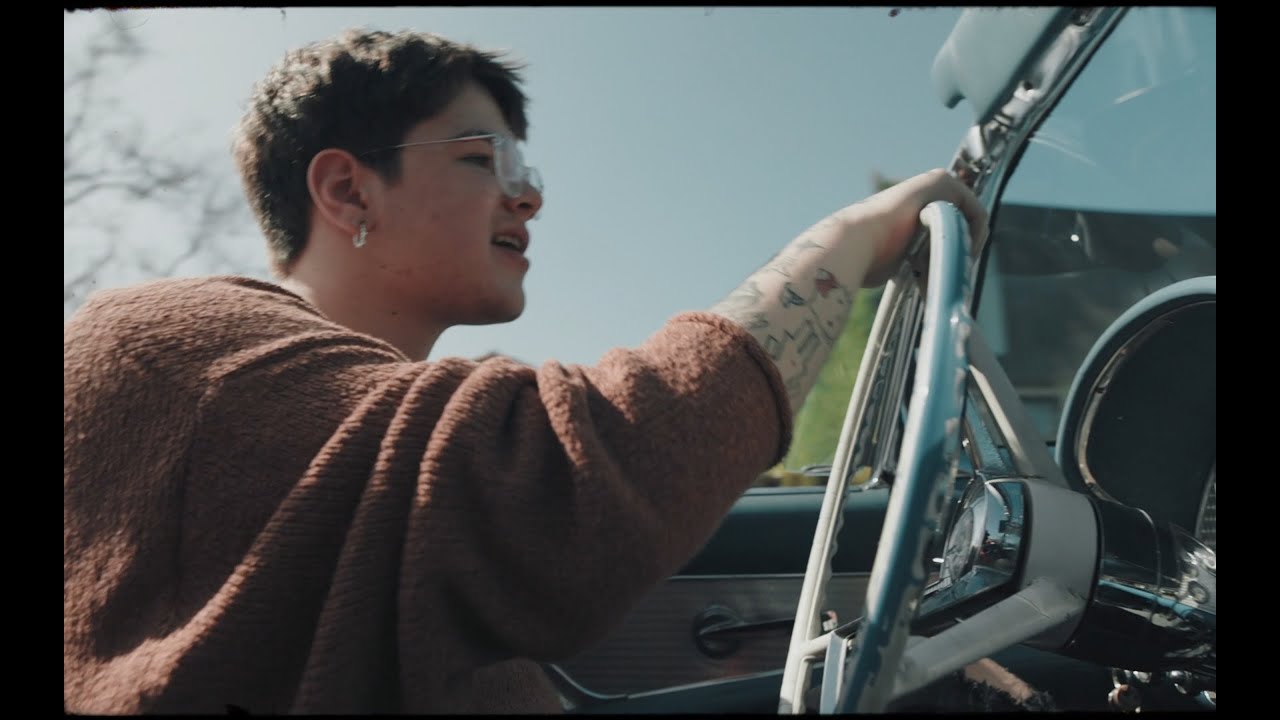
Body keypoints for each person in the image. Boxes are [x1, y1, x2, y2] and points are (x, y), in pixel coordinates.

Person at [63, 28, 989, 714]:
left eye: (526, 168)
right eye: (483, 158)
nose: (528, 196)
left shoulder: (369, 457)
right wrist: (840, 247)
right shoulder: (164, 344)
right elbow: (558, 493)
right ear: (347, 190)